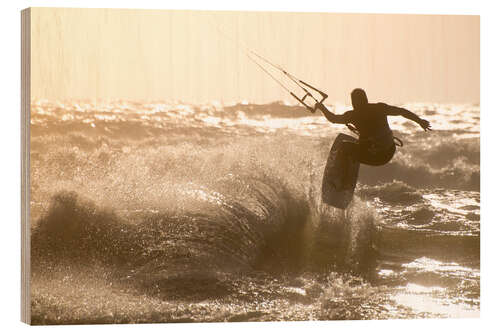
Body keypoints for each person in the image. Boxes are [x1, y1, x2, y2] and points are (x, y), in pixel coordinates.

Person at [315, 88, 431, 189]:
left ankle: (342, 181)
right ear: (365, 99)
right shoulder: (379, 108)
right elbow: (401, 112)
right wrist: (419, 121)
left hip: (376, 157)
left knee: (344, 146)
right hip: (389, 152)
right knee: (360, 142)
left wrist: (322, 107)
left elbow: (334, 119)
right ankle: (349, 167)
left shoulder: (353, 115)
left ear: (353, 102)